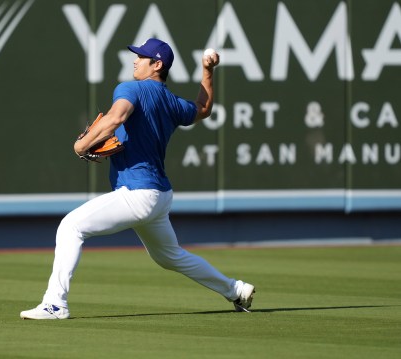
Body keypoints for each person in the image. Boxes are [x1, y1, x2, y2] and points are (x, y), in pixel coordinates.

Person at [20, 38, 255, 320]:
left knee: (70, 227)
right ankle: (235, 290)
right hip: (159, 196)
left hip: (137, 192)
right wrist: (208, 70)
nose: (134, 60)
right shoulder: (171, 102)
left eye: (141, 57)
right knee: (169, 256)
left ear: (157, 65)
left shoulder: (130, 88)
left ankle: (55, 304)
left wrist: (81, 146)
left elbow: (116, 118)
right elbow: (203, 109)